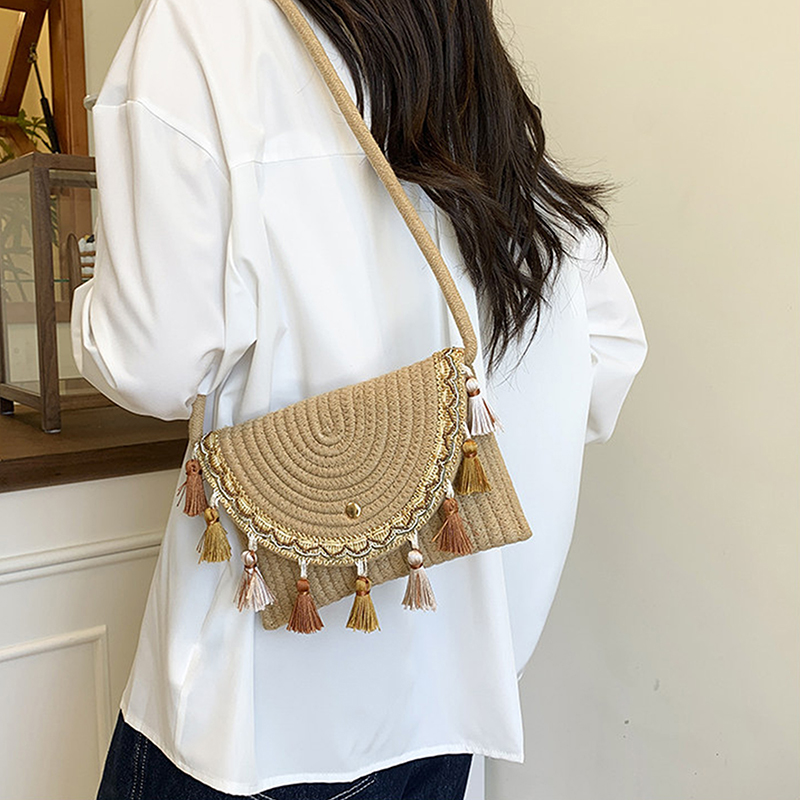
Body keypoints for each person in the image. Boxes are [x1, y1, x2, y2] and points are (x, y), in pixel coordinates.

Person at [71, 0, 647, 797]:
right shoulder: (451, 30)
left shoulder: (197, 22)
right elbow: (608, 347)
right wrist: (436, 450)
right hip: (449, 694)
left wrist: (87, 306)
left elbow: (151, 363)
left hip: (254, 717)